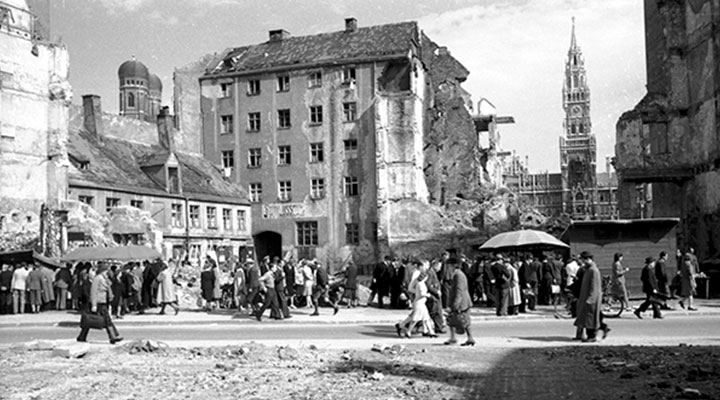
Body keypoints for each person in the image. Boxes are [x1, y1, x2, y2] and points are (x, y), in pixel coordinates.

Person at [77, 263, 122, 344]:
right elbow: (93, 291)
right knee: (97, 319)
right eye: (105, 271)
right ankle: (113, 336)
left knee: (91, 320)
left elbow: (109, 286)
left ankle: (82, 336)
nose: (107, 272)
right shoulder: (97, 278)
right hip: (98, 302)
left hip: (103, 302)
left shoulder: (104, 279)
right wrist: (93, 305)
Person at [573, 251, 609, 342]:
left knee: (590, 318)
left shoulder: (593, 270)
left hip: (591, 299)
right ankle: (591, 335)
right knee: (587, 317)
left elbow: (594, 286)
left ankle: (592, 336)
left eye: (583, 260)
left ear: (588, 259)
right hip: (587, 297)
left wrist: (591, 299)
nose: (582, 262)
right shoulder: (588, 269)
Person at [444, 257, 475, 346]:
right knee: (461, 320)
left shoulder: (458, 275)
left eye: (449, 265)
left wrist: (455, 305)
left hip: (462, 303)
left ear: (453, 265)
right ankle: (457, 338)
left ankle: (468, 338)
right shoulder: (457, 274)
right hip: (463, 301)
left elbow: (459, 291)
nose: (448, 267)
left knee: (461, 320)